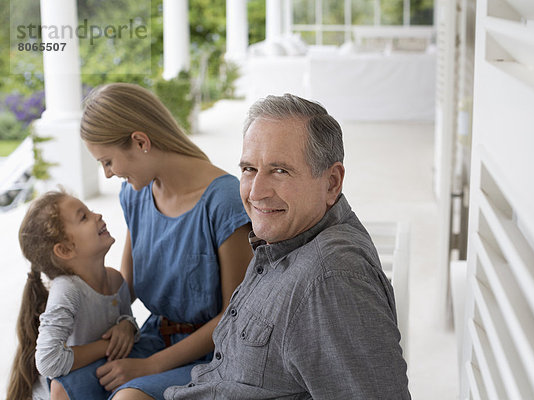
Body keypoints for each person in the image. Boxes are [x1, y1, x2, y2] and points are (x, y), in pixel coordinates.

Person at [165, 93, 411, 399]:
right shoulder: (285, 239)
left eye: (280, 171)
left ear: (332, 182)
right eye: (248, 169)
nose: (256, 192)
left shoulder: (332, 279)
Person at [53, 83, 254, 400]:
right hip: (153, 337)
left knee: (128, 397)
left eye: (108, 161)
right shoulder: (136, 194)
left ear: (140, 141)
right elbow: (126, 288)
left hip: (211, 355)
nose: (107, 174)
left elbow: (234, 316)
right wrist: (123, 324)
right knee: (63, 388)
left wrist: (149, 367)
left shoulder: (225, 202)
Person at [7, 190, 139, 400]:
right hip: (64, 390)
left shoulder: (115, 280)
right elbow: (49, 361)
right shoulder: (68, 290)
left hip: (97, 375)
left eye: (91, 211)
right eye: (84, 217)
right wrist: (107, 346)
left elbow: (126, 318)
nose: (98, 216)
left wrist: (126, 326)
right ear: (65, 250)